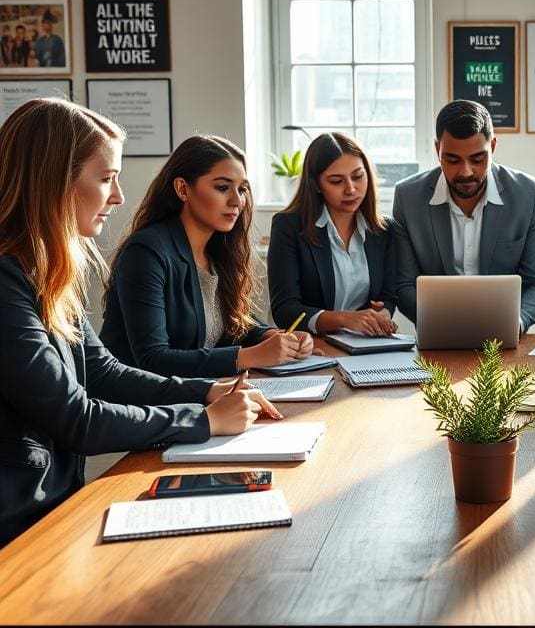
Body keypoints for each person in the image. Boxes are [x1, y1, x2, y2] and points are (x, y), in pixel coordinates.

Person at [0, 98, 279, 546]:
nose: (118, 196)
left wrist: (207, 391)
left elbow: (103, 372)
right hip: (18, 523)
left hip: (54, 502)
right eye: (106, 178)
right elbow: (77, 418)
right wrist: (202, 420)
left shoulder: (47, 270)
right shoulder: (7, 280)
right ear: (54, 181)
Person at [101, 135, 314, 378]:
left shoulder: (218, 248)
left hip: (199, 389)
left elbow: (228, 322)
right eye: (222, 188)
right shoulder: (146, 252)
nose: (237, 201)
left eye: (242, 189)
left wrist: (270, 336)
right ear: (182, 189)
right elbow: (153, 359)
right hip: (137, 396)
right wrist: (252, 355)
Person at [392, 100, 535, 333]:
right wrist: (442, 322)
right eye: (452, 160)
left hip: (506, 335)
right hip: (439, 332)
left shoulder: (529, 194)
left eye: (477, 159)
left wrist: (516, 321)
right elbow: (404, 285)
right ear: (437, 150)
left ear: (493, 147)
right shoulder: (408, 197)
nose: (466, 171)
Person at [269, 132, 398, 336]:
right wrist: (344, 319)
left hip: (364, 343)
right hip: (312, 344)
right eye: (336, 181)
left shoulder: (383, 230)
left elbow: (388, 296)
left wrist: (382, 314)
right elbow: (285, 310)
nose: (351, 189)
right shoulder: (288, 226)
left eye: (358, 176)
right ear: (316, 184)